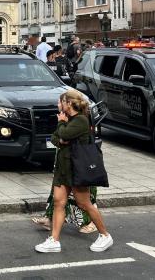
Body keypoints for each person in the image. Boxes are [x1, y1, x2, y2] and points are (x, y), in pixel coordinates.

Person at [35, 92, 112, 254]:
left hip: (77, 170)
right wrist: (62, 134)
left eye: (61, 101)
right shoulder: (69, 121)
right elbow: (56, 139)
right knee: (58, 202)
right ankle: (54, 241)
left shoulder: (81, 120)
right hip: (63, 169)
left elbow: (62, 134)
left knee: (84, 203)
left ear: (68, 103)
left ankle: (105, 235)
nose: (59, 104)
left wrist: (61, 124)